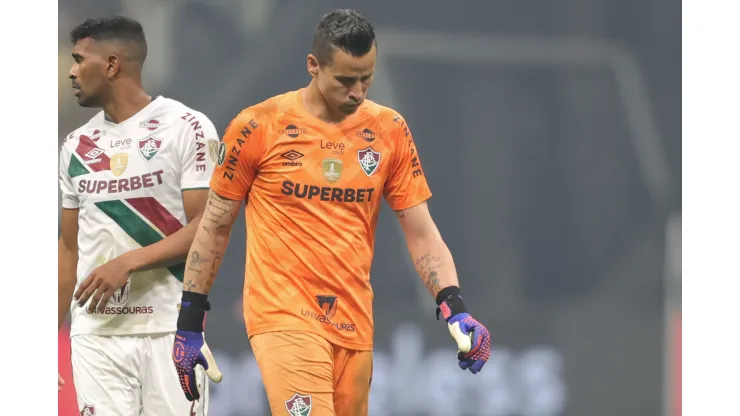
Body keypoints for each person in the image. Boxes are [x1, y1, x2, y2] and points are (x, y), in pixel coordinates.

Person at [171, 8, 491, 416]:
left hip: (354, 322)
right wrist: (190, 320)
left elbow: (421, 232)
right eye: (345, 80)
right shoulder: (258, 126)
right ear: (313, 67)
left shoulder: (389, 130)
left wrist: (455, 308)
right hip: (282, 316)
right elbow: (215, 227)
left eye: (366, 79)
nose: (357, 92)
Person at [58, 16, 221, 416]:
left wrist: (128, 262)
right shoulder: (75, 146)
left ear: (112, 65)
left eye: (80, 59)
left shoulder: (188, 128)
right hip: (97, 336)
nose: (71, 71)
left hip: (169, 328)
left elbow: (207, 226)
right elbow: (67, 248)